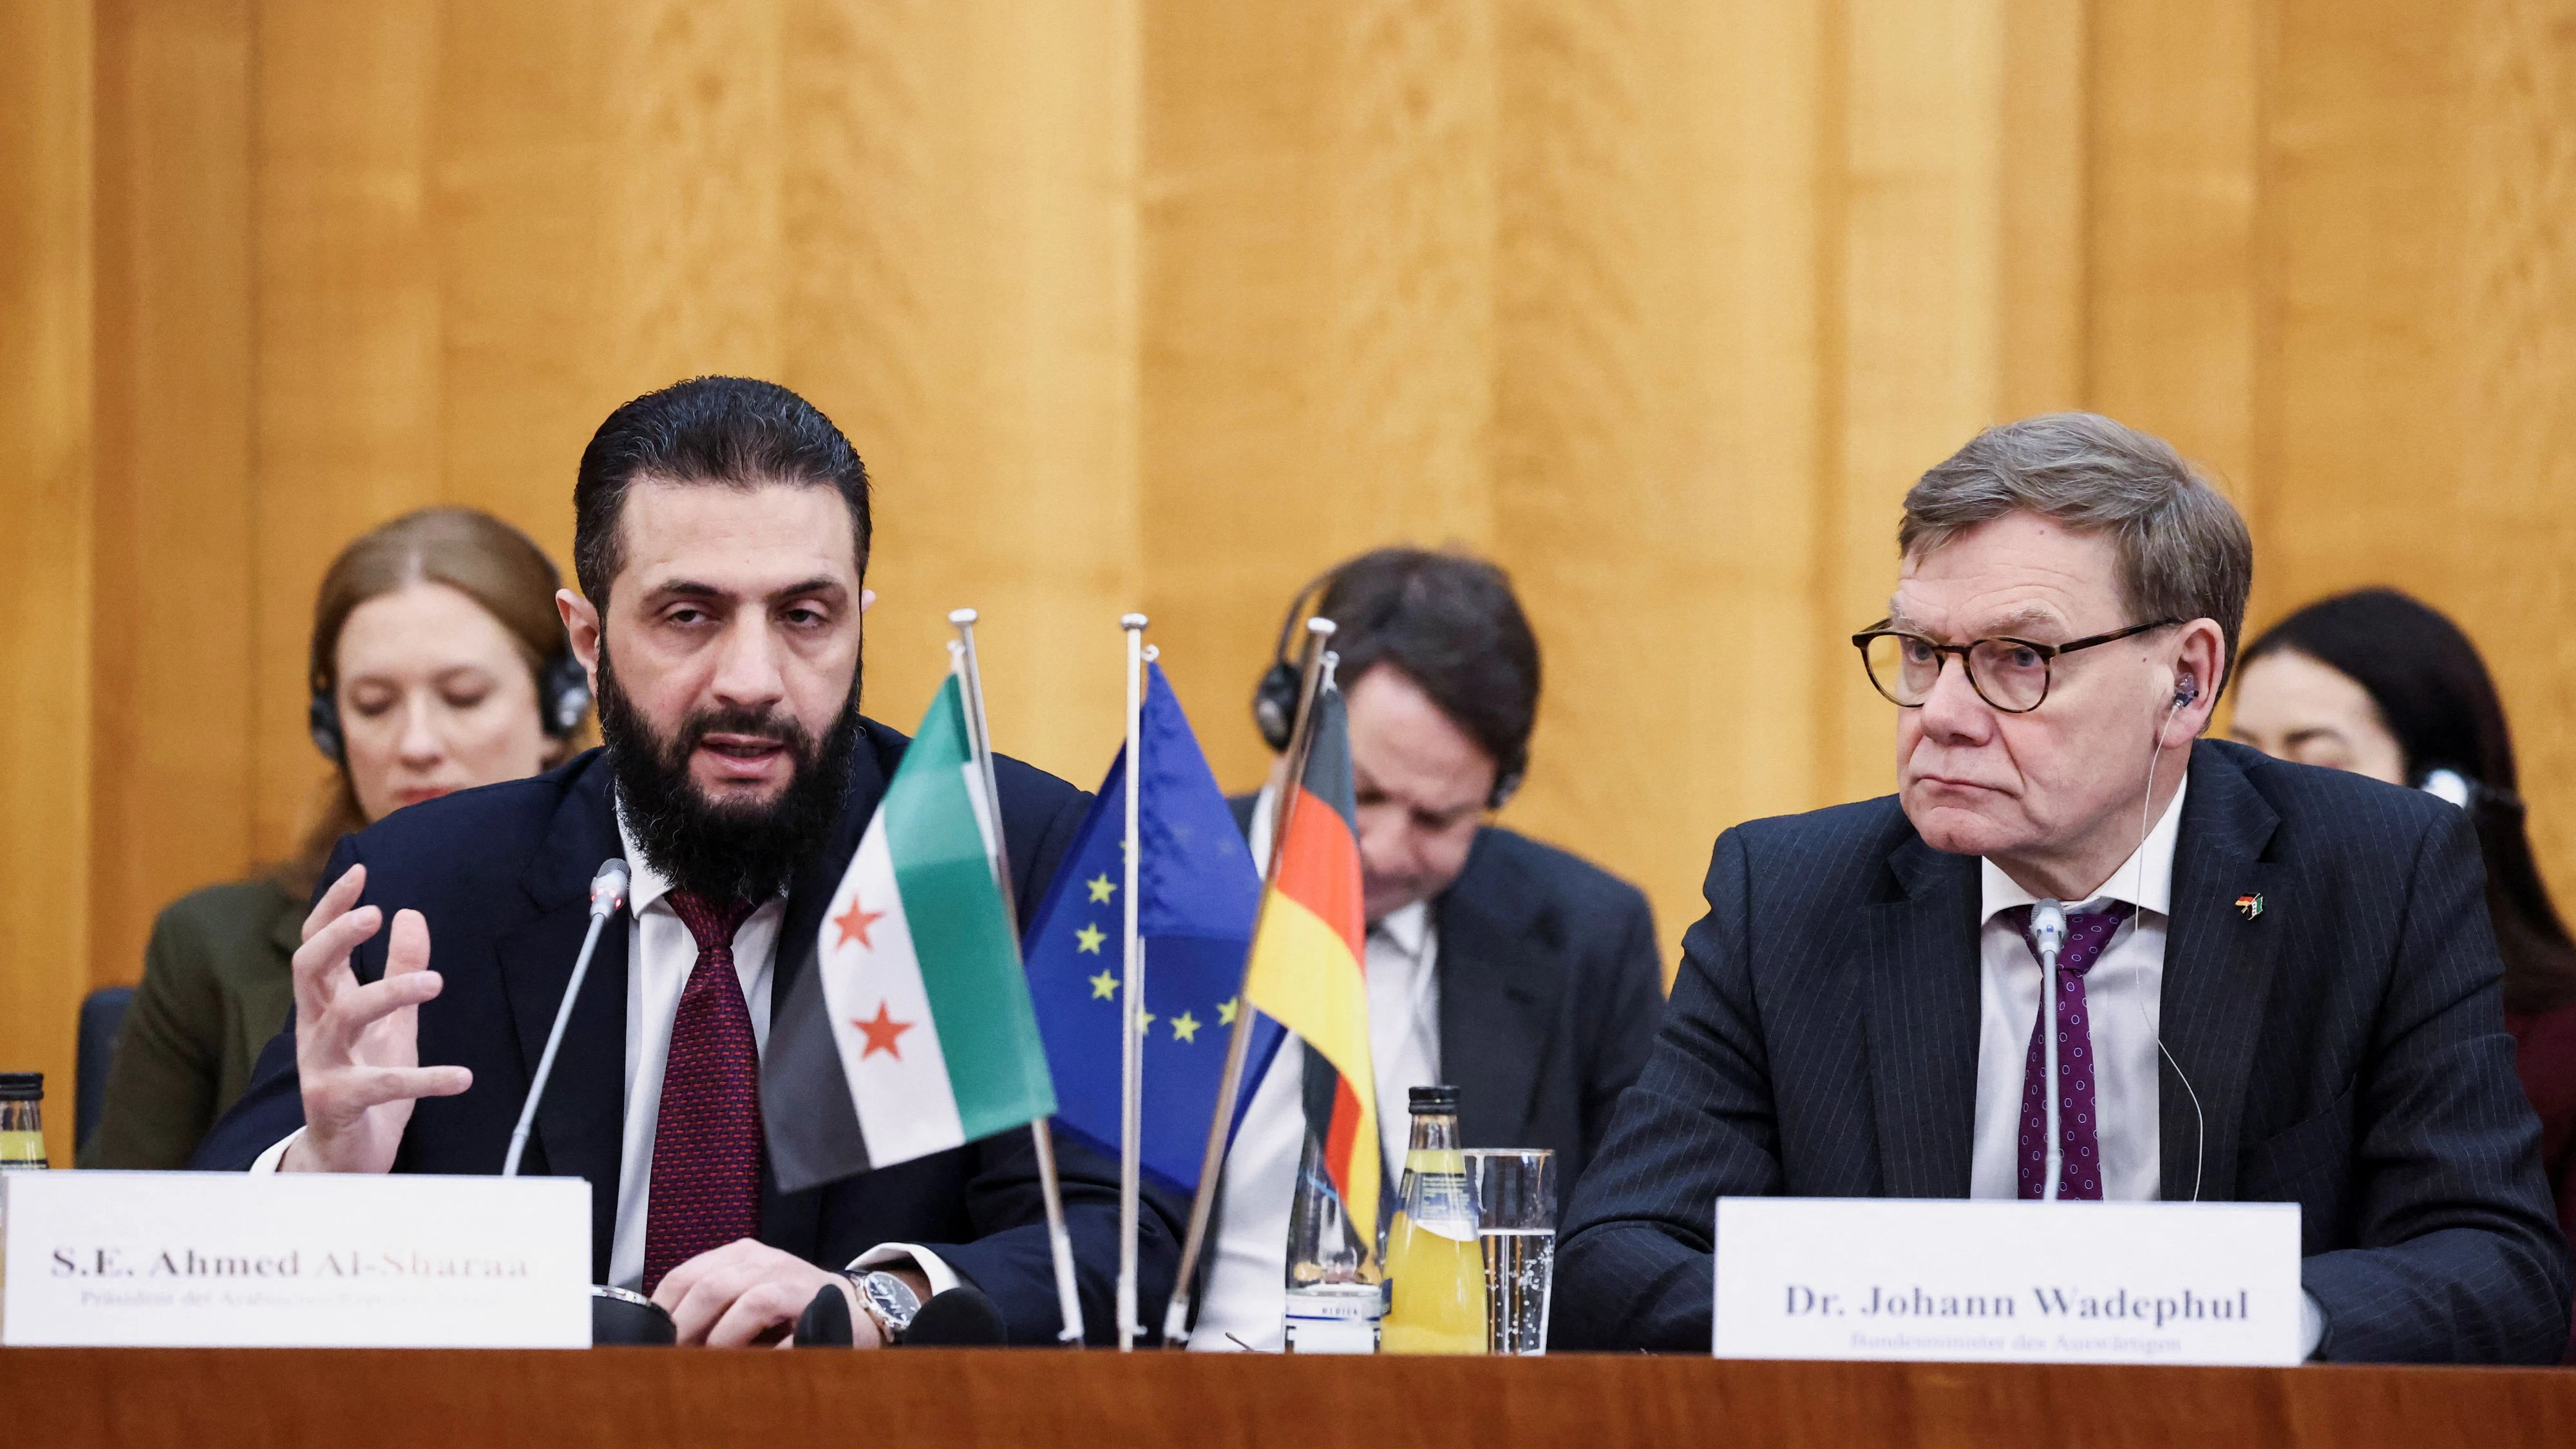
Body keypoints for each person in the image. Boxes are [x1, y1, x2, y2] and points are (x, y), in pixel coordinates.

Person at [1553, 412, 2571, 1363]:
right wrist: (1915, 1322)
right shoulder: (1789, 895)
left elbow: (2499, 1265)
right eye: (1920, 651)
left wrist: (2223, 1318)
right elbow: (1616, 1254)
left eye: (2018, 659)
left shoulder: (2376, 873)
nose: (1942, 713)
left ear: (2186, 679)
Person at [195, 376, 1168, 1348]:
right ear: (588, 639)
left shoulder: (999, 854)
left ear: (858, 621)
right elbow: (193, 1251)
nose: (751, 680)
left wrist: (882, 1303)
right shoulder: (428, 887)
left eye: (804, 616)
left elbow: (1123, 1233)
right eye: (689, 616)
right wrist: (322, 1180)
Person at [1190, 547, 1667, 1352]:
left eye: (1438, 819)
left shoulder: (1588, 935)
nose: (1380, 847)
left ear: (1497, 792)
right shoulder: (1147, 888)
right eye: (1361, 791)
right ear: (1285, 725)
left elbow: (1626, 1237)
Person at [82, 507, 588, 1169]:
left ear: (560, 707)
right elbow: (119, 1228)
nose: (416, 745)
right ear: (330, 728)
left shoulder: (636, 924)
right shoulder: (208, 944)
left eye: (462, 697)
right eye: (374, 705)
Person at [2231, 587, 2576, 1340]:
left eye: (2314, 758)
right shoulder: (2210, 984)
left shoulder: (2559, 1044)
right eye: (2239, 754)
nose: (2261, 791)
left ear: (2440, 795)